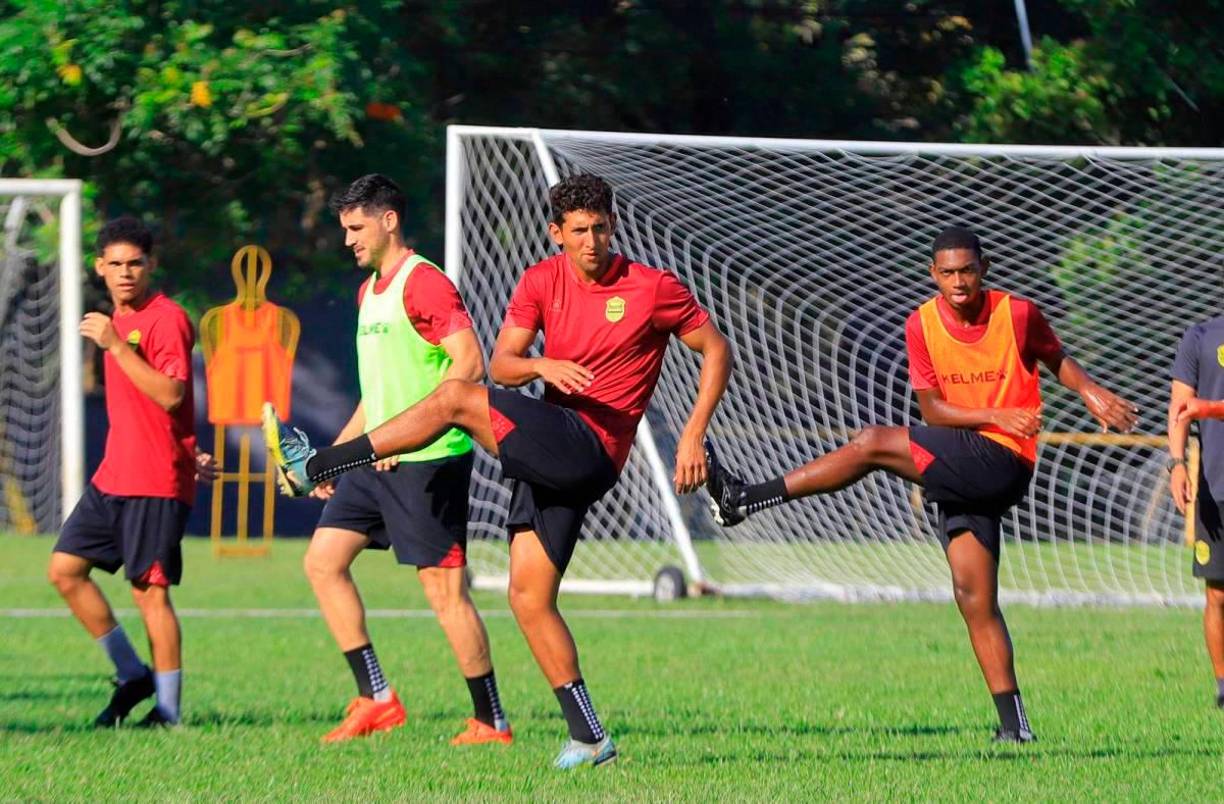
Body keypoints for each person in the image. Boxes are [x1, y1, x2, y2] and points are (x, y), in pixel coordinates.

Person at [264, 173, 732, 767]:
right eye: (579, 231)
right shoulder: (540, 280)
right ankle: (590, 737)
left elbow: (716, 349)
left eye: (602, 229)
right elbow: (507, 364)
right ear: (555, 233)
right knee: (528, 599)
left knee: (455, 398)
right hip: (550, 444)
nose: (592, 241)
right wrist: (545, 366)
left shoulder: (651, 287)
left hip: (589, 447)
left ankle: (316, 465)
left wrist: (692, 436)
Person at [705, 225, 1138, 742]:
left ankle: (744, 498)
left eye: (968, 270)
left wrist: (1092, 393)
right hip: (963, 457)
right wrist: (997, 411)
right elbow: (931, 408)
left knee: (870, 443)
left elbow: (1056, 357)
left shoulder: (1017, 313)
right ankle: (1014, 729)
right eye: (948, 272)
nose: (959, 281)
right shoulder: (921, 325)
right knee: (973, 598)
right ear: (933, 274)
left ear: (985, 268)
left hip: (1005, 461)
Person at [302, 174, 510, 745]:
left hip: (429, 459)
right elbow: (378, 396)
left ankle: (491, 720)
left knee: (445, 594)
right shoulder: (369, 291)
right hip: (378, 460)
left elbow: (467, 366)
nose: (348, 240)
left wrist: (408, 438)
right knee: (323, 563)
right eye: (344, 229)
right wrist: (341, 458)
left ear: (388, 220)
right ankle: (377, 698)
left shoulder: (426, 285)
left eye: (355, 227)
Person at [47, 216, 214, 728]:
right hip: (113, 476)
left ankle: (168, 712)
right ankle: (131, 674)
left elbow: (170, 394)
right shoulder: (113, 320)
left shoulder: (166, 319)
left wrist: (117, 347)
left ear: (151, 266)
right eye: (115, 264)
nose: (125, 273)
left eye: (134, 264)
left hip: (154, 482)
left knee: (149, 592)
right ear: (99, 267)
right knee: (65, 571)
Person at [1167, 322, 1224, 709]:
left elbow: (1201, 406)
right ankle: (1223, 686)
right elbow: (1180, 405)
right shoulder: (1201, 336)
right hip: (1216, 487)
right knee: (1217, 594)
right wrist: (1176, 462)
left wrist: (1214, 408)